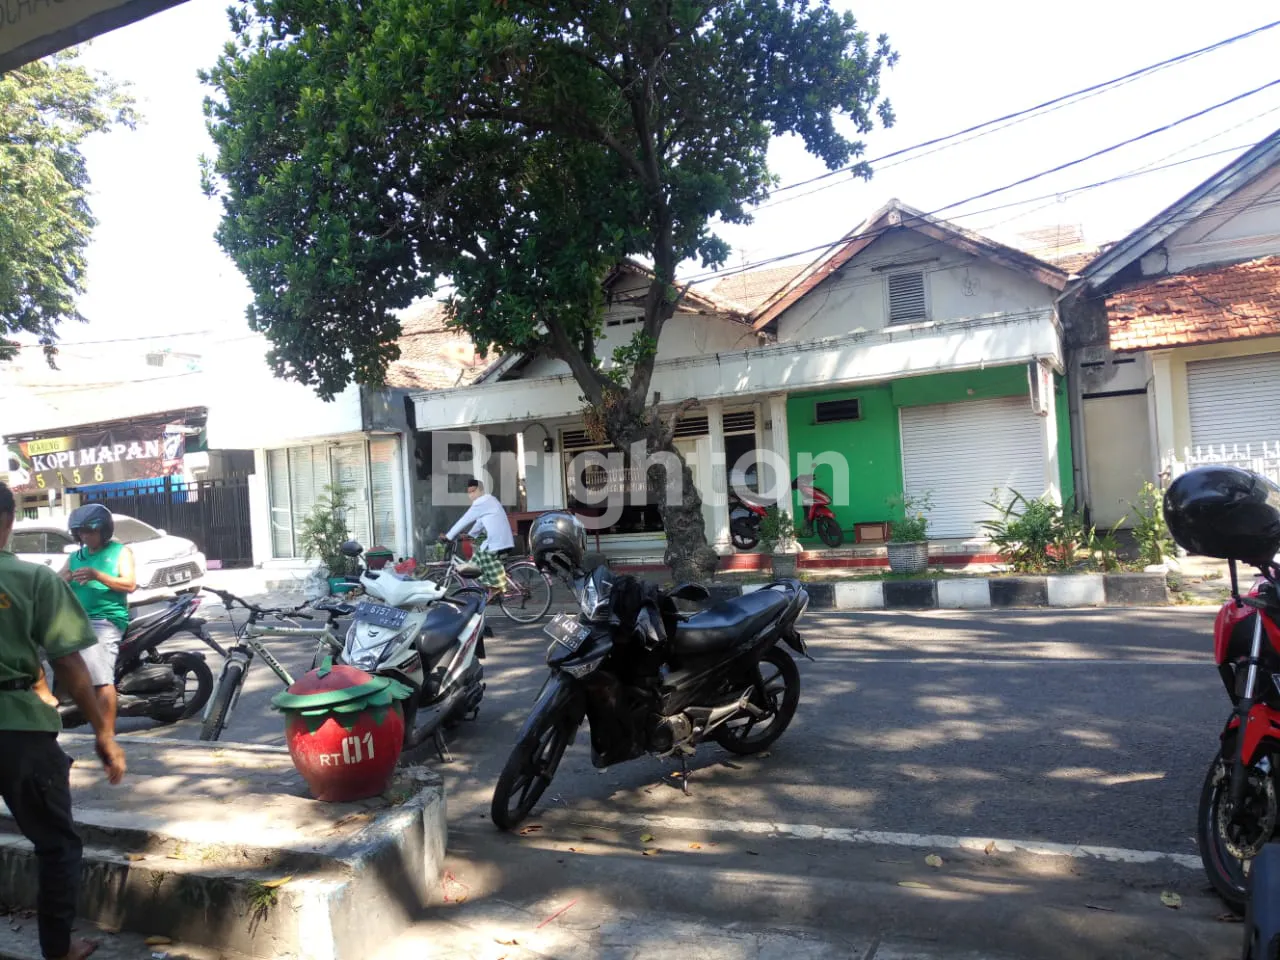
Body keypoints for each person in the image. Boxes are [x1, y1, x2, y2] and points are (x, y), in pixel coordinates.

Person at [0, 483, 128, 960]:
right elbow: (71, 665)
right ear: (10, 519)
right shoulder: (32, 579)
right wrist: (103, 734)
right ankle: (59, 949)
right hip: (20, 732)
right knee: (56, 844)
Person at [59, 505, 135, 733]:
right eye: (81, 532)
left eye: (91, 531)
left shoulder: (120, 552)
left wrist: (97, 575)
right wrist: (64, 578)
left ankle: (106, 734)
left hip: (105, 620)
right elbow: (54, 582)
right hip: (77, 621)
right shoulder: (75, 557)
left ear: (104, 530)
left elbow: (130, 584)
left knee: (101, 679)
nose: (86, 536)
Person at [440, 479, 514, 601]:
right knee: (475, 560)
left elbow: (465, 519)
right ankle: (493, 586)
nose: (471, 495)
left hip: (497, 542)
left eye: (474, 491)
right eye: (469, 492)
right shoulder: (490, 500)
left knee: (477, 563)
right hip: (501, 540)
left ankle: (496, 587)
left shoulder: (482, 502)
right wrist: (469, 535)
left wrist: (449, 536)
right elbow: (480, 523)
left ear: (481, 490)